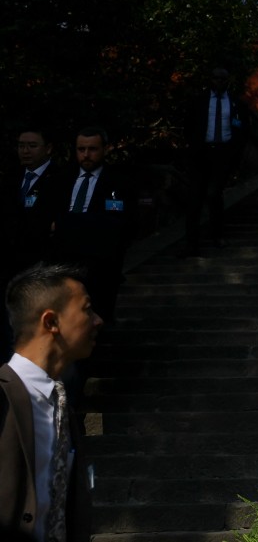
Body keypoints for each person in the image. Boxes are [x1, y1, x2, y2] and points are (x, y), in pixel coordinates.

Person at [1, 263, 102, 541]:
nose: (98, 320)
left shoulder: (61, 404)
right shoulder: (4, 394)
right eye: (87, 309)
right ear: (51, 322)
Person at [44, 127, 135, 325]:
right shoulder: (61, 180)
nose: (86, 155)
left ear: (105, 149)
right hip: (62, 259)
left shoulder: (118, 182)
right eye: (81, 149)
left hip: (98, 262)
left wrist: (64, 225)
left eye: (92, 149)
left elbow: (113, 224)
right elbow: (45, 219)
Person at [4, 129, 61, 358]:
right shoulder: (11, 178)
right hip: (11, 261)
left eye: (32, 146)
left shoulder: (60, 178)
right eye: (21, 145)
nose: (25, 151)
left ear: (47, 148)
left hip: (43, 259)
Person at [182, 68, 251, 256]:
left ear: (228, 81)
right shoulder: (199, 101)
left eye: (223, 79)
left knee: (215, 194)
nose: (219, 82)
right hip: (201, 152)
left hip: (223, 152)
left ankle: (217, 235)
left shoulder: (236, 103)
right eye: (216, 79)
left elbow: (243, 129)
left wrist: (235, 151)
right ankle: (191, 241)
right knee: (195, 196)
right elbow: (188, 126)